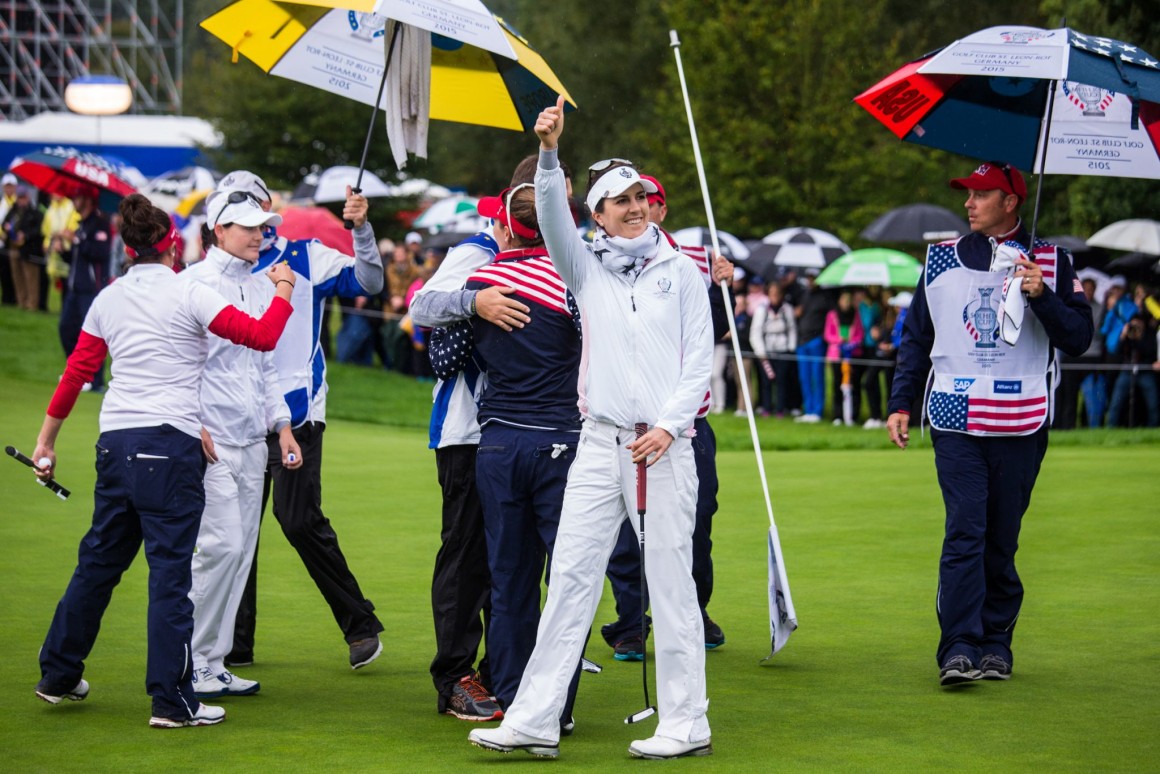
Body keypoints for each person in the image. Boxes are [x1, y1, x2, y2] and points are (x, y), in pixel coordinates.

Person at [469, 96, 714, 760]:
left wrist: (668, 424)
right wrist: (548, 154)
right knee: (571, 579)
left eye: (640, 196)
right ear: (598, 216)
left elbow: (701, 358)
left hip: (664, 448)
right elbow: (550, 216)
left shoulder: (683, 273)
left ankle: (687, 720)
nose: (633, 207)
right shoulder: (588, 268)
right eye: (618, 201)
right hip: (598, 445)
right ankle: (536, 717)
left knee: (670, 583)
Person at [29, 193, 296, 727]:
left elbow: (78, 371)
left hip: (114, 443)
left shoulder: (108, 296)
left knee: (98, 564)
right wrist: (284, 290)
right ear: (173, 245)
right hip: (170, 446)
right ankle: (171, 702)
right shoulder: (188, 290)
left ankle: (59, 675)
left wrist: (45, 443)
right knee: (170, 576)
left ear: (128, 249)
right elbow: (262, 336)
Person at [886, 161, 1092, 686]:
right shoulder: (939, 259)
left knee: (1002, 538)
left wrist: (1041, 296)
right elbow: (916, 338)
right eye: (968, 194)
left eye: (981, 194)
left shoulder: (1054, 262)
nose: (969, 203)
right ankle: (957, 646)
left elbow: (1079, 338)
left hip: (1023, 419)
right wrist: (901, 402)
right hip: (955, 415)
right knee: (965, 532)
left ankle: (996, 643)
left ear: (1011, 202)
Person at [219, 171, 387, 670]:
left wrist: (361, 230)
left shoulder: (305, 254)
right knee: (237, 527)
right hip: (241, 417)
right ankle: (234, 642)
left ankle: (361, 625)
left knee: (296, 519)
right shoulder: (218, 274)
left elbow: (371, 283)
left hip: (300, 411)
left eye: (256, 209)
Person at [429, 182, 584, 724]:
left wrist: (474, 301)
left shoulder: (484, 275)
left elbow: (425, 320)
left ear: (508, 224)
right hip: (557, 439)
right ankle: (553, 705)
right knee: (565, 578)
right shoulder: (575, 275)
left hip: (496, 439)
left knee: (509, 577)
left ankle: (517, 699)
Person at [407, 157, 543, 722]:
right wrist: (475, 299)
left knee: (511, 558)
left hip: (522, 427)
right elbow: (420, 305)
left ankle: (501, 668)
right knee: (467, 556)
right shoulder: (475, 252)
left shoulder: (550, 254)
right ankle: (454, 675)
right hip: (466, 429)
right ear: (512, 204)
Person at [599, 173, 734, 661]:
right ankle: (632, 622)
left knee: (697, 522)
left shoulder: (692, 261)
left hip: (687, 424)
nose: (639, 210)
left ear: (662, 209)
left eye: (647, 201)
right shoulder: (605, 258)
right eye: (629, 201)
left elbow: (715, 333)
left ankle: (695, 611)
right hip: (626, 422)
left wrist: (723, 289)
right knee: (625, 528)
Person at [183, 190, 303, 700]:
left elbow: (264, 367)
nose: (260, 234)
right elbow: (179, 362)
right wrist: (191, 420)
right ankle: (188, 658)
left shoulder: (258, 285)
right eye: (249, 226)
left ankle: (213, 661)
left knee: (240, 554)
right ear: (219, 229)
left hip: (254, 440)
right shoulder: (192, 284)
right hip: (210, 441)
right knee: (219, 549)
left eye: (263, 225)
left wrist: (282, 426)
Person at [59, 187, 112, 392]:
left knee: (92, 334)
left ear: (88, 201)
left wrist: (76, 240)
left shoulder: (101, 225)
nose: (74, 200)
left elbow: (99, 253)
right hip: (74, 287)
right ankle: (77, 372)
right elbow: (76, 257)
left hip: (92, 288)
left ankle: (95, 380)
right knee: (66, 329)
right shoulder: (80, 225)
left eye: (78, 197)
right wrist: (65, 247)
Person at [750, 280, 797, 417]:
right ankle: (766, 408)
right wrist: (760, 352)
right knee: (766, 381)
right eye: (772, 294)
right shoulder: (762, 310)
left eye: (777, 294)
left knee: (782, 380)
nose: (775, 296)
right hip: (766, 350)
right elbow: (755, 332)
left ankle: (780, 409)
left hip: (782, 349)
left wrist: (790, 348)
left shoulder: (787, 309)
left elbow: (792, 329)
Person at [794, 267, 830, 423]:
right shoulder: (804, 295)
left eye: (813, 277)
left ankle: (817, 411)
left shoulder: (825, 296)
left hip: (816, 340)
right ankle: (808, 410)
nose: (810, 280)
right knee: (804, 377)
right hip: (802, 341)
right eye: (809, 277)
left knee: (817, 377)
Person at [824, 290, 864, 425]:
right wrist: (839, 340)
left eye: (848, 301)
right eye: (844, 301)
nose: (846, 304)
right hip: (837, 354)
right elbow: (827, 334)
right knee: (837, 384)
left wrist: (852, 343)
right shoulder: (832, 315)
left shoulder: (856, 315)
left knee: (854, 384)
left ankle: (853, 415)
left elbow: (859, 334)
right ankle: (838, 415)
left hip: (852, 354)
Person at [3, 185, 44, 311]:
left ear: (27, 197)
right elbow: (5, 222)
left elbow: (38, 230)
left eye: (23, 197)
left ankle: (32, 304)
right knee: (17, 274)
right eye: (19, 198)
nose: (21, 200)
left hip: (29, 248)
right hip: (14, 246)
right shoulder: (13, 210)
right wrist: (7, 228)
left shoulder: (35, 211)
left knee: (30, 276)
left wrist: (25, 235)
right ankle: (21, 301)